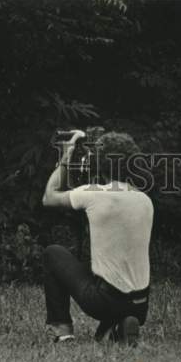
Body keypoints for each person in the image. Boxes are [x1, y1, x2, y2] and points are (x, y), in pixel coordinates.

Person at [41, 129, 152, 345]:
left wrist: (68, 152)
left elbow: (49, 197)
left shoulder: (94, 194)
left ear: (98, 163)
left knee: (53, 253)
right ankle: (120, 325)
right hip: (141, 305)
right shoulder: (145, 200)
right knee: (113, 308)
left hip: (104, 301)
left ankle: (63, 331)